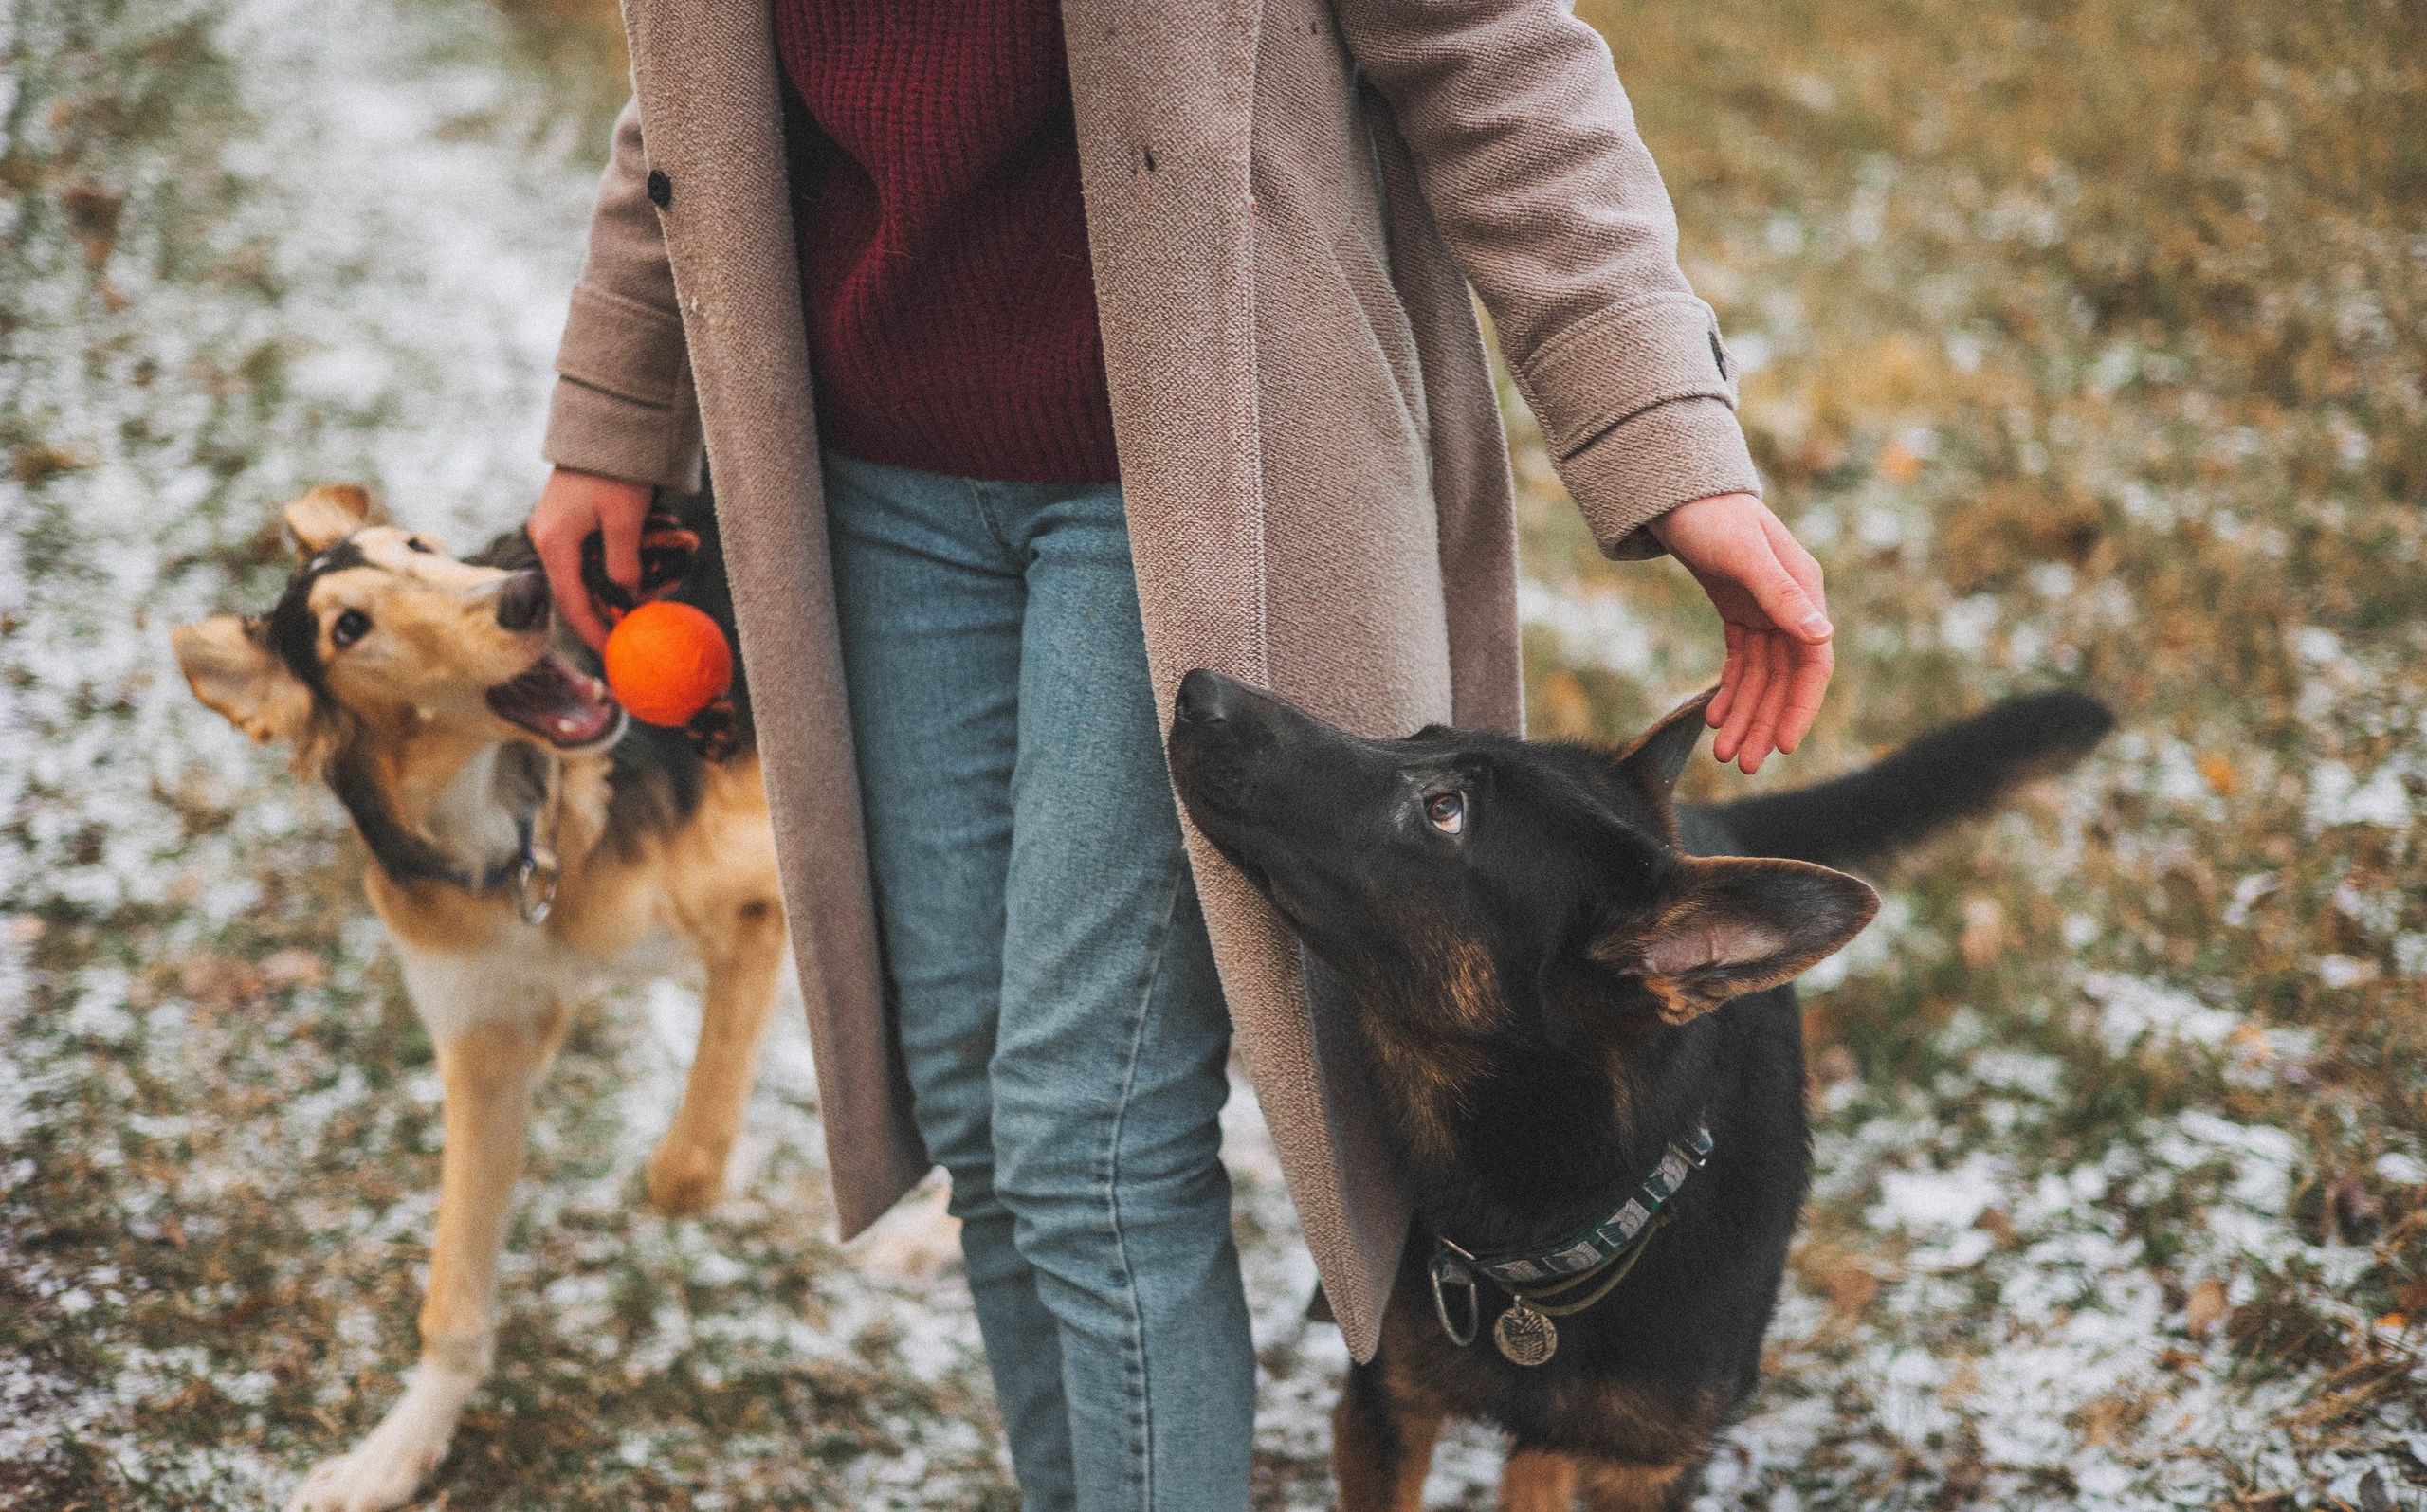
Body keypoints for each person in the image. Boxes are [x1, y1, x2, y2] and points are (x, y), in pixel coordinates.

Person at [525, 3, 1832, 1509]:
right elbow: (696, 78)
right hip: (876, 474)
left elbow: (1492, 49)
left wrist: (1668, 432)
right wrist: (616, 402)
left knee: (1083, 1132)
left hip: (1196, 471)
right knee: (978, 1114)